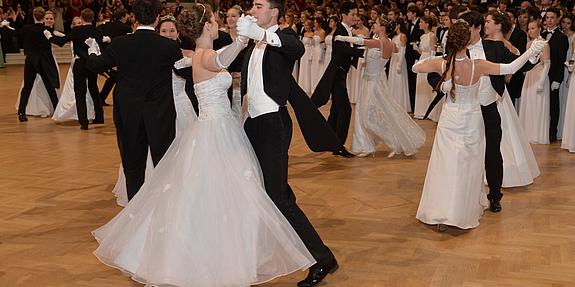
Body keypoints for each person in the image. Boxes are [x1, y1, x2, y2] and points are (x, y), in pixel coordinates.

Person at [93, 4, 315, 286]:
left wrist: (246, 38)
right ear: (207, 26)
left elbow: (223, 60)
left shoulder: (198, 55)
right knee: (225, 194)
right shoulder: (207, 56)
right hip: (216, 130)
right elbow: (225, 59)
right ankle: (219, 257)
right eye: (214, 19)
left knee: (215, 194)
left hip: (216, 127)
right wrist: (243, 39)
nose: (217, 22)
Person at [237, 0, 341, 285]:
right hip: (253, 125)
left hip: (273, 125)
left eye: (258, 6)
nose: (252, 10)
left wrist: (258, 35)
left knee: (278, 197)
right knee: (266, 191)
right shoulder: (252, 44)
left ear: (274, 12)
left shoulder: (284, 38)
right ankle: (267, 251)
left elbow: (295, 48)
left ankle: (323, 258)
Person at [414, 21, 545, 231]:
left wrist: (441, 73)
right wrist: (531, 50)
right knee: (467, 165)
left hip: (464, 115)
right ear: (467, 38)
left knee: (453, 162)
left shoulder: (446, 61)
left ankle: (456, 207)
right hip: (471, 118)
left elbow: (416, 67)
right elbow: (512, 68)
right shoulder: (476, 64)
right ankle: (460, 209)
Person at [85, 0, 185, 200]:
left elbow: (95, 66)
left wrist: (92, 51)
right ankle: (165, 205)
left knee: (132, 162)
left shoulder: (120, 43)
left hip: (128, 111)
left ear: (134, 18)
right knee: (164, 161)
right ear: (157, 18)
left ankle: (135, 210)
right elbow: (184, 72)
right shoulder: (169, 46)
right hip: (160, 112)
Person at [337, 16, 425, 157]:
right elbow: (393, 49)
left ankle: (393, 141)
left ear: (383, 27)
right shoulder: (387, 42)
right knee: (364, 112)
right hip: (370, 79)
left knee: (368, 115)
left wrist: (341, 38)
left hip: (374, 82)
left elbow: (361, 41)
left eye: (376, 23)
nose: (374, 24)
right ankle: (366, 146)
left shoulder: (381, 42)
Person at [311, 1, 365, 157]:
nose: (356, 17)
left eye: (357, 14)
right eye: (353, 14)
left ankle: (326, 140)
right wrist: (363, 53)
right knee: (345, 109)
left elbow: (349, 49)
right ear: (344, 15)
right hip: (336, 76)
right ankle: (338, 146)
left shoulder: (347, 30)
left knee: (335, 111)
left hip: (340, 74)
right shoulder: (340, 30)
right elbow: (341, 47)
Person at [48, 8, 105, 130]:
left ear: (82, 18)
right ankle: (99, 117)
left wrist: (49, 37)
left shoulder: (77, 31)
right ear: (93, 18)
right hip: (92, 63)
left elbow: (61, 42)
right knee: (94, 88)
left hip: (80, 64)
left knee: (80, 92)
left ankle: (83, 122)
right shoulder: (98, 31)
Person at [16, 7, 60, 122]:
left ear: (33, 16)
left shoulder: (27, 28)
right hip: (44, 61)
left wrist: (5, 26)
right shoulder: (48, 30)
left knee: (27, 87)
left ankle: (21, 112)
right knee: (50, 86)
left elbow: (15, 33)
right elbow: (57, 40)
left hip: (31, 61)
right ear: (43, 16)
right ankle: (57, 110)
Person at [52, 16, 96, 122]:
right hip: (75, 65)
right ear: (72, 25)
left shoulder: (81, 33)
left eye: (80, 23)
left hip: (81, 64)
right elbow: (64, 39)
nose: (78, 25)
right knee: (74, 90)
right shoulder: (74, 34)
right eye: (76, 23)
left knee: (84, 91)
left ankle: (86, 115)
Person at [519, 19, 551, 144]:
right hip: (530, 76)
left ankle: (537, 135)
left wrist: (541, 82)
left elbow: (547, 64)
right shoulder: (529, 44)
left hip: (539, 76)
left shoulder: (544, 44)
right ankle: (527, 133)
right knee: (529, 104)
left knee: (538, 105)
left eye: (532, 28)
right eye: (529, 28)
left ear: (539, 29)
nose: (530, 31)